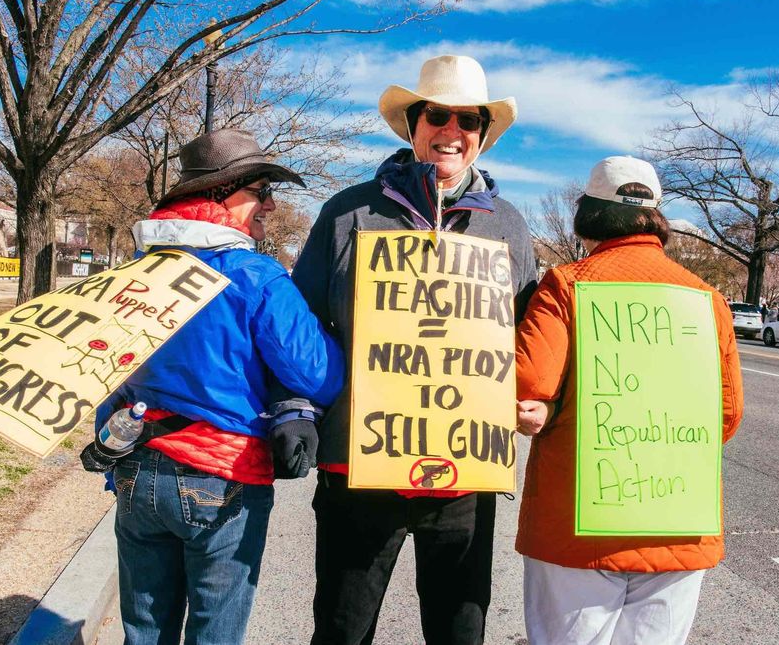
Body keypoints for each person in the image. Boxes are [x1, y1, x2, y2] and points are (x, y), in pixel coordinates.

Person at [275, 54, 537, 645]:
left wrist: (532, 395)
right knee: (342, 628)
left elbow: (524, 334)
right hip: (359, 468)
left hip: (465, 476)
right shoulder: (348, 213)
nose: (452, 131)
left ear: (481, 137)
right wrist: (296, 407)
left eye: (468, 121)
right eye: (438, 116)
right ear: (414, 124)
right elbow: (302, 327)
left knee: (458, 631)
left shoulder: (511, 227)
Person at [93, 128, 345, 645]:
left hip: (137, 467)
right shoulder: (255, 275)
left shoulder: (133, 273)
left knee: (143, 632)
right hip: (222, 475)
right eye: (260, 192)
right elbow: (319, 374)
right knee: (215, 633)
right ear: (219, 196)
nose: (270, 206)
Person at [514, 156, 744, 645]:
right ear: (656, 220)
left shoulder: (567, 284)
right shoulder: (708, 299)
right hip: (679, 520)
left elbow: (528, 382)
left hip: (579, 522)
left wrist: (553, 411)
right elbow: (726, 417)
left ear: (589, 216)